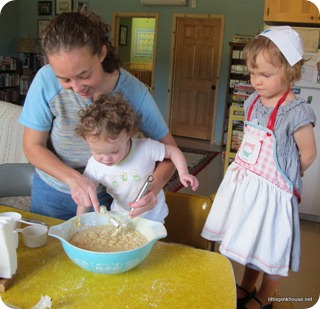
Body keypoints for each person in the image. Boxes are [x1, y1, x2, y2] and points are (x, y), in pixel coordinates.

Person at [19, 11, 177, 220]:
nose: (76, 87)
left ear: (102, 53)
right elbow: (32, 146)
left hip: (107, 198)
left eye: (84, 75)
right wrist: (73, 178)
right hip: (51, 192)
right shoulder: (45, 80)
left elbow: (170, 154)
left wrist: (153, 188)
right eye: (64, 79)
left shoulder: (134, 92)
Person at [201, 26, 317, 309]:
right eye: (253, 73)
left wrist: (284, 180)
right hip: (248, 187)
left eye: (265, 75)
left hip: (274, 193)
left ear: (290, 71)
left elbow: (309, 154)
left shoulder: (295, 111)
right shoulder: (253, 101)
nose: (256, 81)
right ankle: (247, 285)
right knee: (251, 240)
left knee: (272, 245)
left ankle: (266, 296)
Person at [75, 93, 199, 222]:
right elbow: (85, 195)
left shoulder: (145, 148)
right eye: (97, 152)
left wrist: (183, 173)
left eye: (114, 151)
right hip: (120, 217)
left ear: (128, 134)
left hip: (153, 217)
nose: (106, 159)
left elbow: (173, 151)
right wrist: (78, 221)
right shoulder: (94, 165)